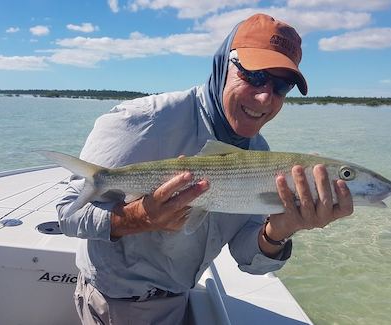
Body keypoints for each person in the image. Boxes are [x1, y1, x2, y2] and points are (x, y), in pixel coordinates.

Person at [57, 13, 353, 325]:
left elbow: (246, 256)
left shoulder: (259, 152)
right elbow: (66, 214)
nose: (265, 96)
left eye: (282, 86)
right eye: (254, 76)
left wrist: (278, 231)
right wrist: (139, 218)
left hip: (179, 298)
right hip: (118, 306)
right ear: (224, 63)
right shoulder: (143, 121)